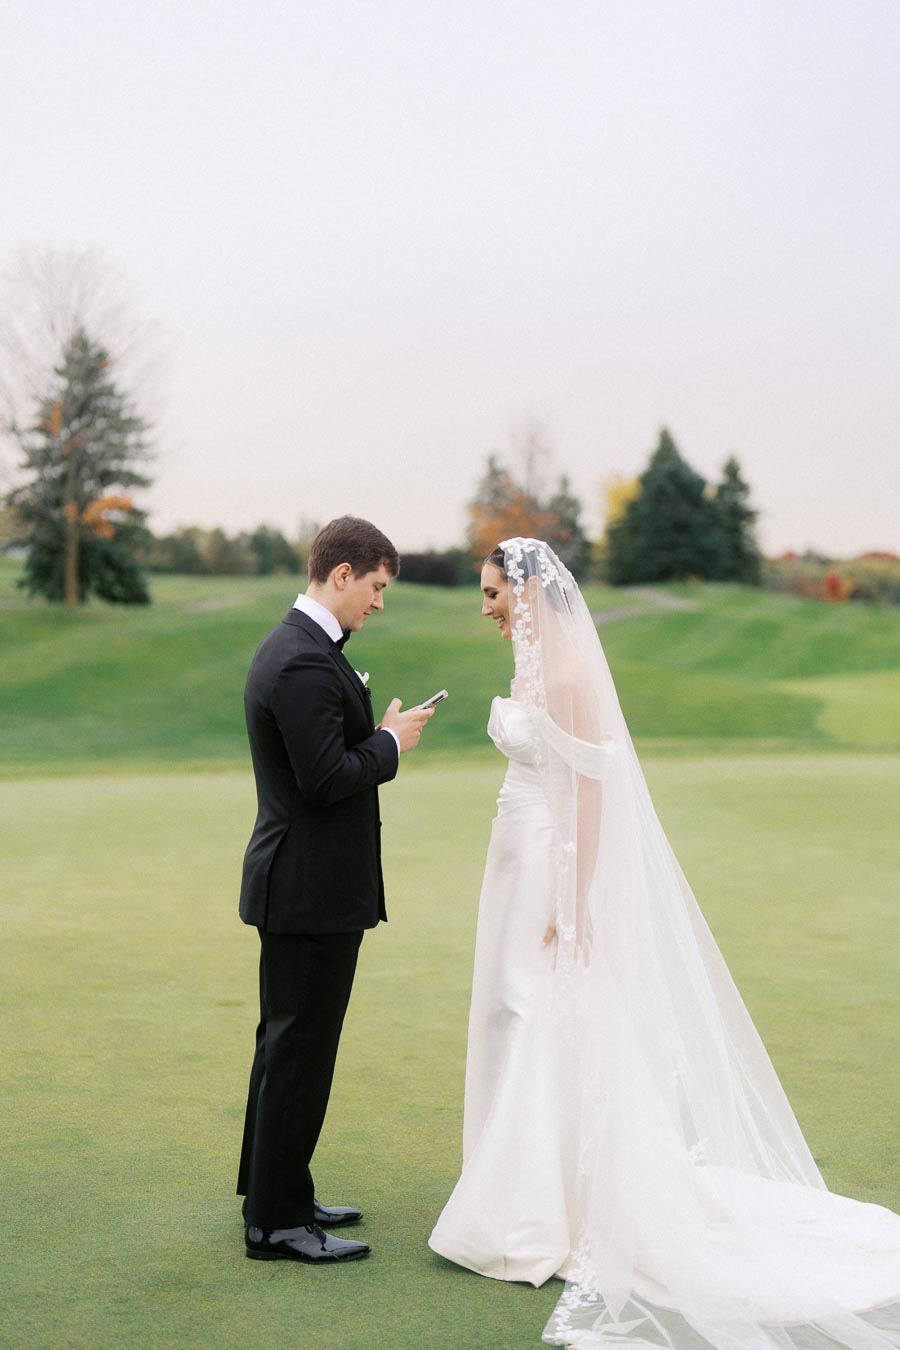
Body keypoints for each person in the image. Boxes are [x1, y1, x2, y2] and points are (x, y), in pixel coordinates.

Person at [429, 537, 900, 1348]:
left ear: (531, 594)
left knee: (539, 1008)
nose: (487, 609)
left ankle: (538, 1215)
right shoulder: (531, 668)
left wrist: (571, 902)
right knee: (508, 1012)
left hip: (549, 866)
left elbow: (591, 795)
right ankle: (517, 1191)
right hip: (512, 859)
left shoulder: (571, 677)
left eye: (493, 594)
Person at [237, 515, 433, 1264]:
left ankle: (278, 1191)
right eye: (376, 587)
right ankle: (277, 1222)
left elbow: (318, 756)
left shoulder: (308, 650)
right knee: (299, 1049)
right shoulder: (301, 661)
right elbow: (323, 782)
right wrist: (389, 745)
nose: (379, 602)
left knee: (289, 1044)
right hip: (308, 889)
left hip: (306, 886)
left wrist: (373, 732)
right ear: (342, 575)